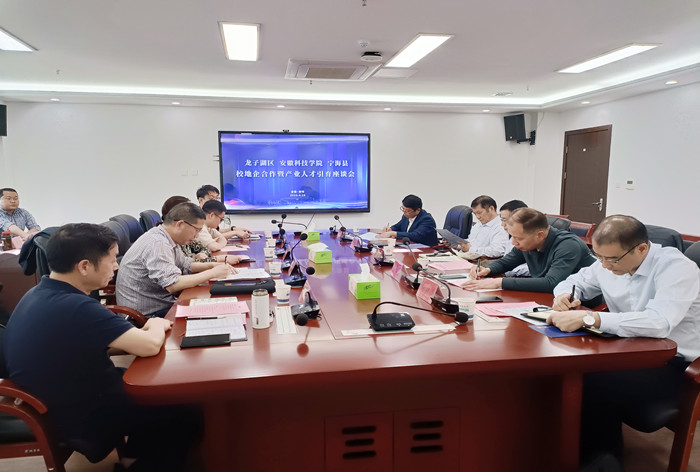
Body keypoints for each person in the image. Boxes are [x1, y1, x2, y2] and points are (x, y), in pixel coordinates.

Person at [4, 223, 201, 471]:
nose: (117, 266)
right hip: (78, 413)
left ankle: (133, 460)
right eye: (112, 259)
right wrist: (156, 323)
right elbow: (149, 345)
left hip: (58, 398)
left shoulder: (38, 293)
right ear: (84, 266)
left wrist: (144, 333)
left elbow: (103, 340)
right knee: (185, 410)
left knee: (161, 394)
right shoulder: (77, 307)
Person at [546, 215, 700, 467]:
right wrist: (564, 295)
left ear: (642, 249)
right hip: (629, 350)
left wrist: (590, 318)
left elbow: (659, 322)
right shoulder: (607, 261)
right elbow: (576, 280)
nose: (605, 266)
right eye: (599, 257)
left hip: (675, 365)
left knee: (589, 378)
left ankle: (602, 462)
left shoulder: (676, 268)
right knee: (570, 367)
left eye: (613, 259)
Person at [116, 202, 235, 317]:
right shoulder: (158, 243)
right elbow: (173, 284)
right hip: (147, 316)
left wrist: (212, 265)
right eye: (196, 230)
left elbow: (186, 264)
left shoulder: (168, 238)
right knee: (218, 310)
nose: (197, 236)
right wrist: (212, 273)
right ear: (180, 224)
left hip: (162, 304)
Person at [465, 208, 594, 292]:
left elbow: (551, 283)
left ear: (540, 235)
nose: (513, 243)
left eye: (518, 238)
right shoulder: (529, 243)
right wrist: (488, 269)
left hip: (585, 306)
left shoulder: (568, 245)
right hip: (548, 299)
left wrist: (500, 282)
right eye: (512, 237)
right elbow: (506, 262)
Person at [161, 196, 245, 265]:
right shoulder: (161, 243)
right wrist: (219, 260)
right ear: (180, 223)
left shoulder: (181, 238)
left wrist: (201, 255)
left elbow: (203, 250)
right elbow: (174, 278)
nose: (197, 235)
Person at [499, 200, 530, 277]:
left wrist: (509, 272)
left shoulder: (532, 238)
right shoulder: (512, 237)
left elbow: (535, 268)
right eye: (502, 220)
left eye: (505, 220)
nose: (502, 224)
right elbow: (507, 260)